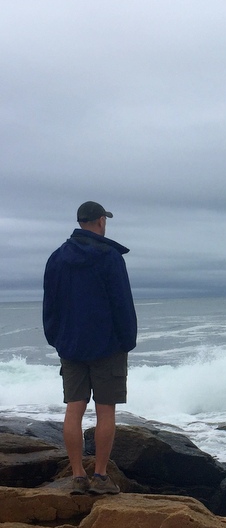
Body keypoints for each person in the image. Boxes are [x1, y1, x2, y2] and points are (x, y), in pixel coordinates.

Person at [43, 201, 137, 495]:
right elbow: (122, 304)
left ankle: (77, 475)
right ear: (99, 221)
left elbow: (50, 306)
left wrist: (56, 339)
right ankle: (100, 476)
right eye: (104, 220)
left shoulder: (56, 258)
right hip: (107, 345)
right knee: (105, 410)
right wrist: (127, 340)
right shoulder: (109, 257)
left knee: (74, 408)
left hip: (70, 346)